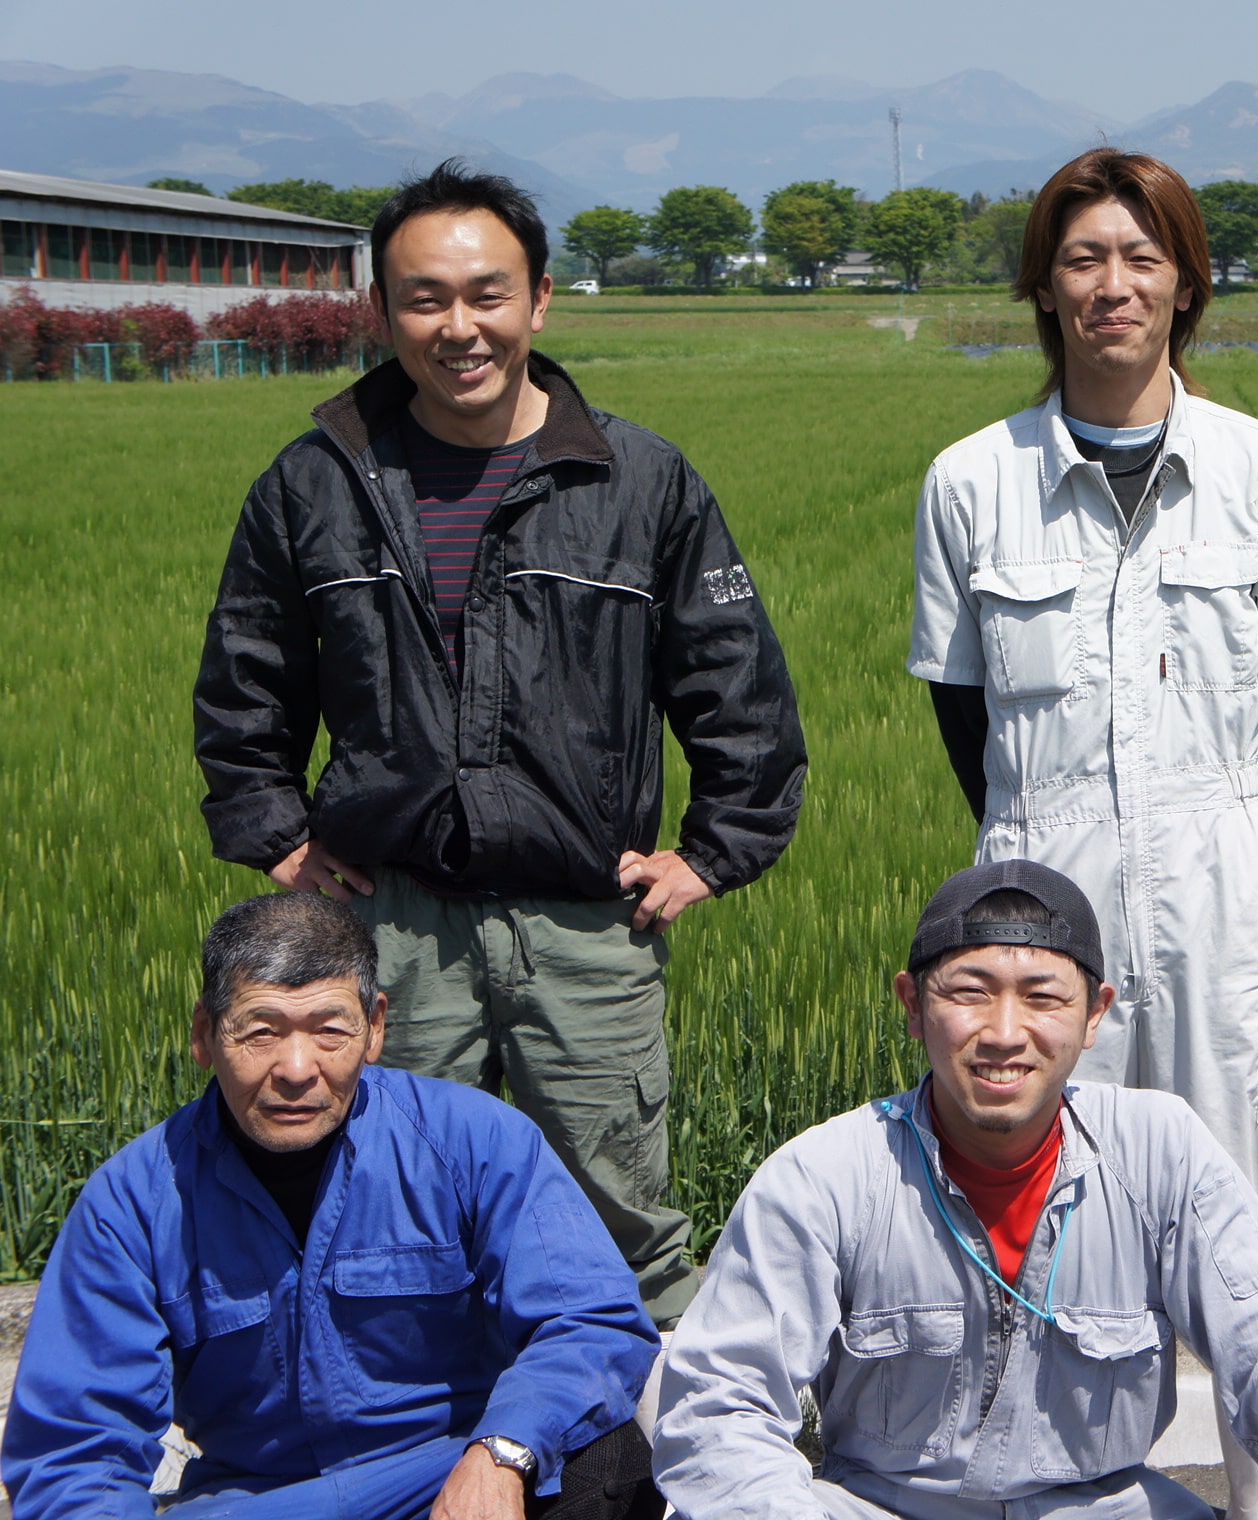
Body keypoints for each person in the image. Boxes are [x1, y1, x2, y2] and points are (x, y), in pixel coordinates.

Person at [193, 159, 807, 1325]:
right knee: (390, 1210)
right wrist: (275, 835)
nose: (457, 326)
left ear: (539, 301)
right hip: (391, 926)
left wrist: (716, 849)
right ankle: (422, 1456)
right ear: (382, 310)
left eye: (486, 293)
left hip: (585, 923)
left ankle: (651, 1471)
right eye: (424, 297)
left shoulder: (640, 479)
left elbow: (737, 683)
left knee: (618, 1220)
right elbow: (244, 676)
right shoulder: (315, 481)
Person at [905, 154, 1258, 1461]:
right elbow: (964, 717)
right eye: (1085, 258)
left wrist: (1197, 826)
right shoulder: (971, 481)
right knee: (1046, 1219)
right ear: (1045, 287)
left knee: (1243, 1228)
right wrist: (1054, 840)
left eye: (1143, 258)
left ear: (1186, 284)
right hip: (1039, 907)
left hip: (1220, 901)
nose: (1114, 285)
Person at [650, 860, 1258, 1520]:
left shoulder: (1162, 1152)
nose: (1005, 1032)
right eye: (969, 993)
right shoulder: (824, 1178)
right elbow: (721, 1408)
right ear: (912, 1005)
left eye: (1043, 998)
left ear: (1095, 1014)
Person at [0, 892, 664, 1520]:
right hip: (260, 1502)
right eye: (260, 1031)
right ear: (205, 1033)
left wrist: (503, 1453)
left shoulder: (477, 1142)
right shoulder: (132, 1202)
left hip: (444, 1483)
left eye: (329, 1030)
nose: (295, 1067)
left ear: (374, 1028)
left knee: (606, 1464)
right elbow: (74, 1452)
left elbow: (592, 1322)